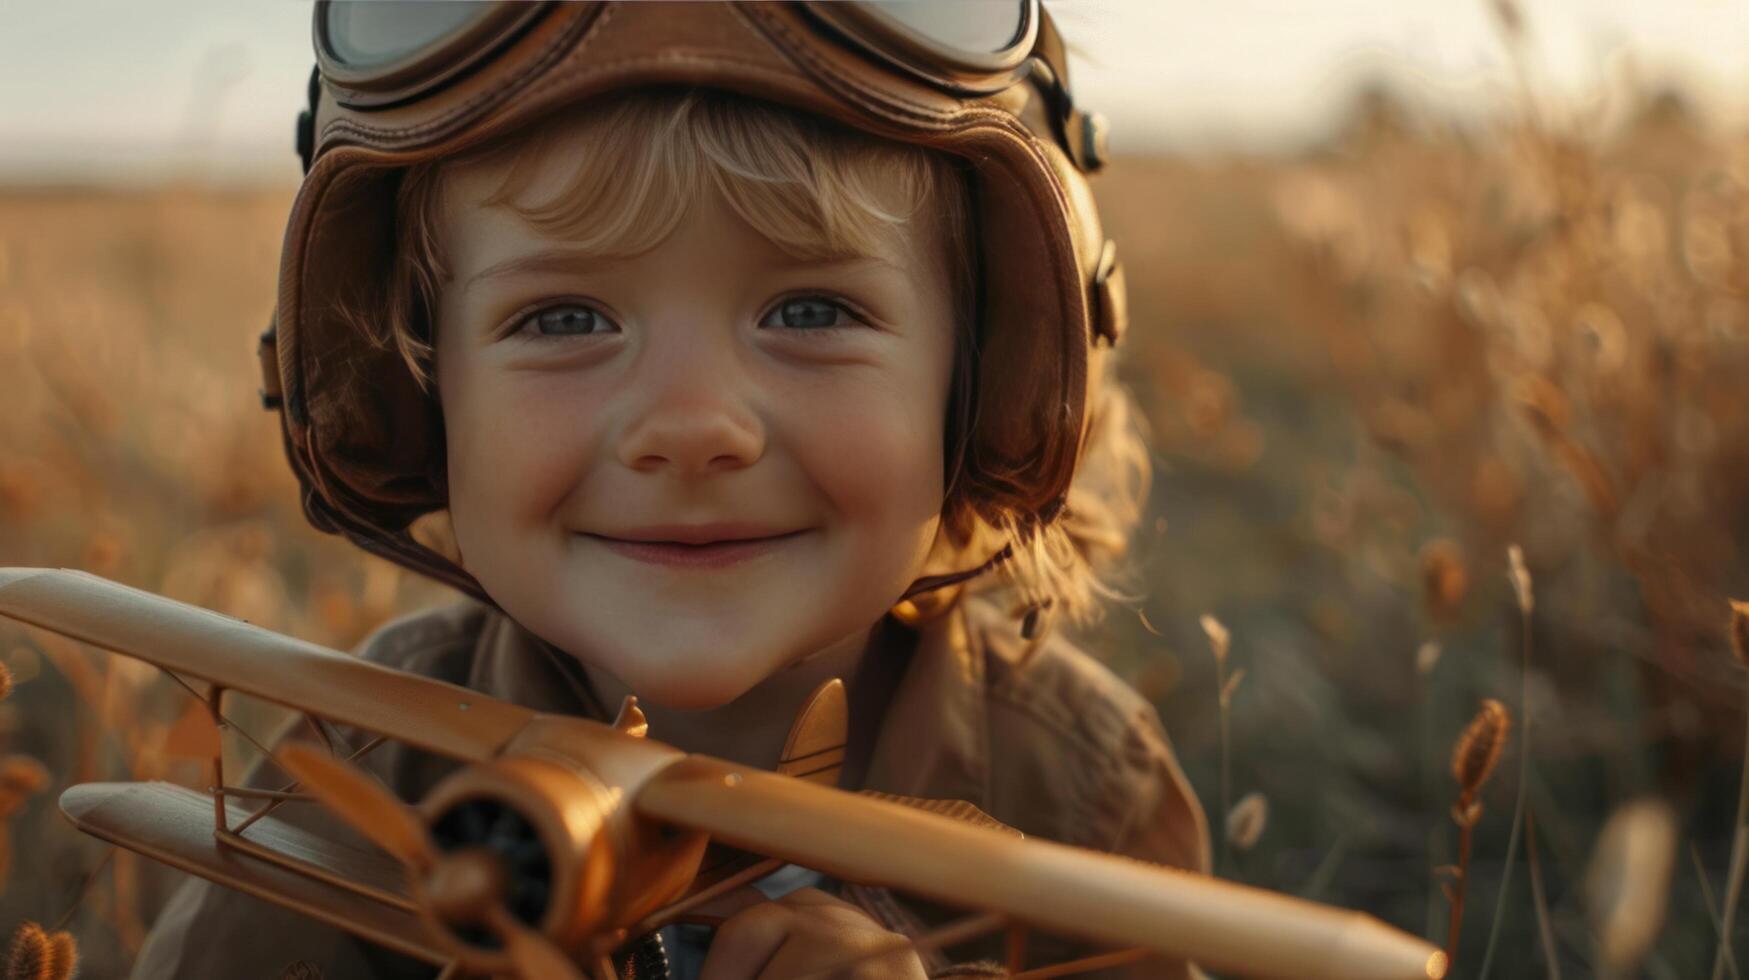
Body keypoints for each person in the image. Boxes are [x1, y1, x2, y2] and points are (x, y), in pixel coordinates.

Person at [132, 3, 1209, 978]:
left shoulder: (1080, 794)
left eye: (809, 312)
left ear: (979, 382)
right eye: (563, 320)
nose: (691, 429)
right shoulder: (356, 772)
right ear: (420, 393)